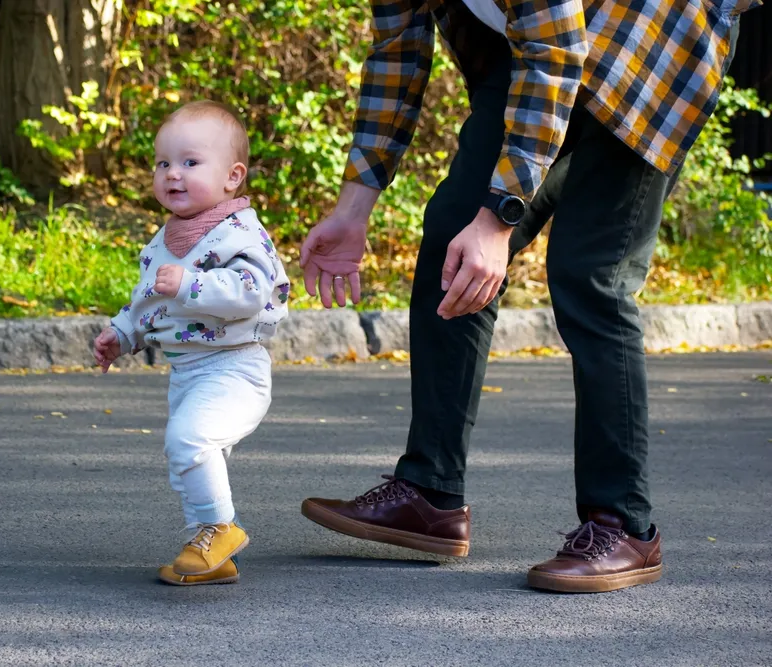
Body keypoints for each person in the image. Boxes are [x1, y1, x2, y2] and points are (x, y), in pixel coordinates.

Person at [298, 0, 753, 592]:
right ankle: (430, 493)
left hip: (652, 40)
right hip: (531, 57)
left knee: (591, 276)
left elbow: (557, 53)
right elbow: (396, 54)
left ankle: (623, 525)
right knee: (451, 238)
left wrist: (500, 217)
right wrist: (352, 209)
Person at [94, 100, 289, 586]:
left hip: (235, 367)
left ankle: (220, 530)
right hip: (187, 372)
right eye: (163, 163)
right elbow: (150, 298)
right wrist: (123, 334)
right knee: (190, 462)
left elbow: (251, 293)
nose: (172, 174)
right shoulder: (166, 239)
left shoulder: (239, 232)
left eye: (189, 162)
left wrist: (189, 284)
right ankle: (213, 555)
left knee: (188, 441)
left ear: (232, 176)